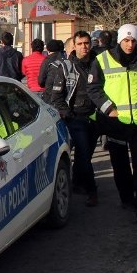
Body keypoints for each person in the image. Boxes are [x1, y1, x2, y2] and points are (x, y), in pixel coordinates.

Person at [87, 23, 137, 223]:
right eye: (126, 40)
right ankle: (127, 199)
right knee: (120, 165)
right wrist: (109, 109)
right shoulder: (102, 60)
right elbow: (93, 89)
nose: (130, 45)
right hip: (115, 123)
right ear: (119, 41)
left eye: (133, 41)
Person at [43, 31, 99, 206]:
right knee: (83, 152)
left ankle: (76, 183)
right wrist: (68, 115)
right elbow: (56, 96)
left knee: (86, 154)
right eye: (80, 43)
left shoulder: (97, 64)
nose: (84, 47)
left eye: (87, 43)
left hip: (95, 116)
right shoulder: (65, 67)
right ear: (74, 46)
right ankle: (92, 190)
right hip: (76, 117)